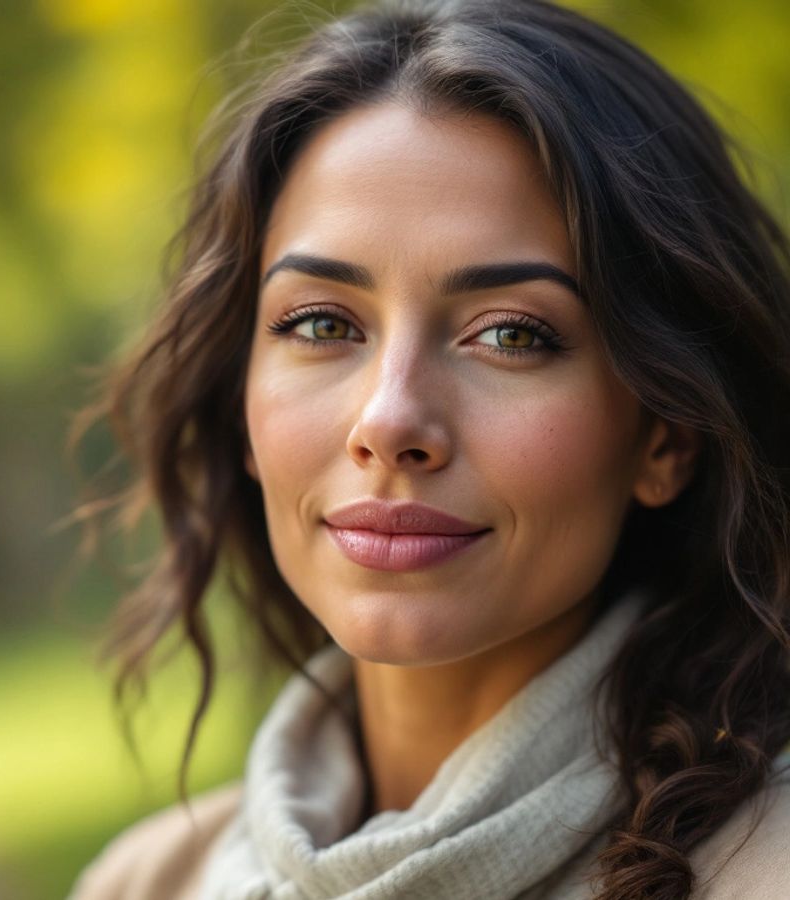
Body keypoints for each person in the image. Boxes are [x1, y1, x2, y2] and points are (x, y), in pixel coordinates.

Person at [64, 0, 790, 897]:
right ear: (237, 401)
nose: (389, 421)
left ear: (667, 437)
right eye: (322, 322)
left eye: (512, 336)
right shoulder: (149, 881)